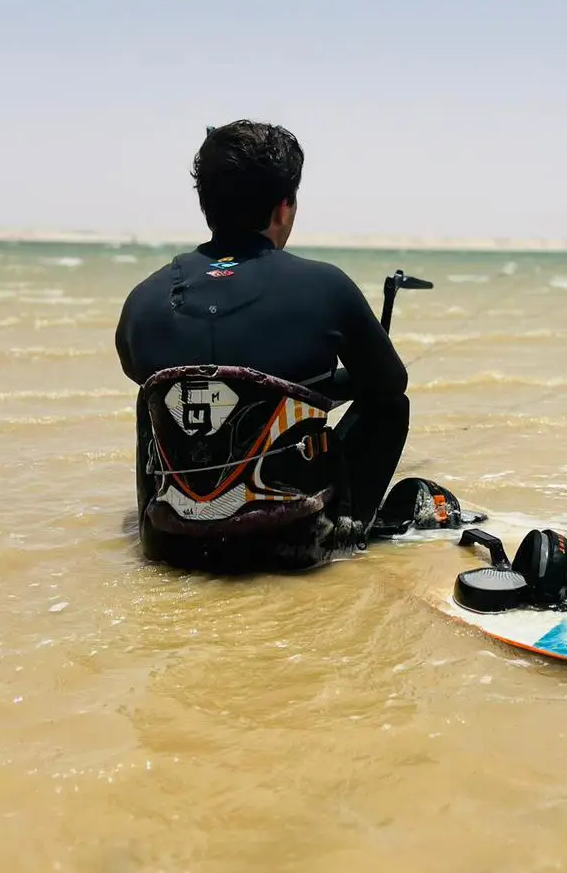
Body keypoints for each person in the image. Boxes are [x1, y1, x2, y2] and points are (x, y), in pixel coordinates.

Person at [115, 120, 409, 568]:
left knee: (149, 396)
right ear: (284, 207)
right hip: (290, 541)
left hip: (172, 542)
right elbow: (389, 383)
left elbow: (145, 370)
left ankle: (152, 532)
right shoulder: (325, 286)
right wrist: (319, 385)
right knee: (391, 405)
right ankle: (346, 533)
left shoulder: (143, 300)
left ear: (205, 203)